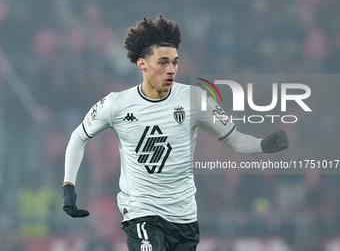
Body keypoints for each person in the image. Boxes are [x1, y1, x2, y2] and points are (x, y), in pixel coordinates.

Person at [62, 15, 289, 251]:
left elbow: (235, 140)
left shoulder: (196, 99)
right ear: (142, 64)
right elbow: (78, 137)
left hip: (184, 217)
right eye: (163, 62)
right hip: (142, 213)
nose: (171, 69)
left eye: (175, 62)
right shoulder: (116, 104)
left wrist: (264, 145)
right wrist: (68, 186)